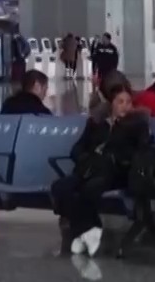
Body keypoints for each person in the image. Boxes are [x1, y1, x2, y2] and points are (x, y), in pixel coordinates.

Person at [53, 78, 149, 256]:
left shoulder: (137, 125)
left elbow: (139, 152)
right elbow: (77, 149)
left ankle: (85, 232)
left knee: (90, 188)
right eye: (120, 102)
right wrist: (87, 158)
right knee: (60, 187)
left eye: (128, 102)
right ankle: (89, 230)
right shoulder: (96, 124)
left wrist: (112, 155)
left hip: (116, 172)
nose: (125, 106)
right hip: (89, 169)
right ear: (111, 104)